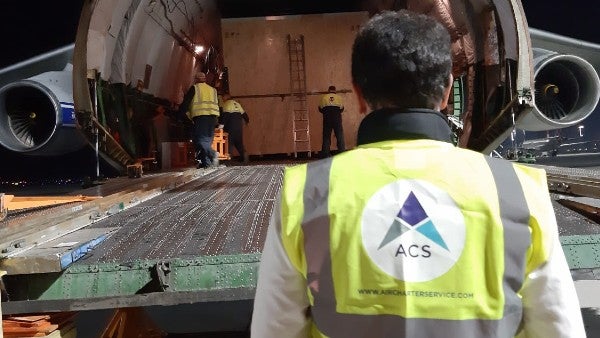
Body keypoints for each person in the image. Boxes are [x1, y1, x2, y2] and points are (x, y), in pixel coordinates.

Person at [251, 10, 585, 338]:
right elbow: (558, 326)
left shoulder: (305, 191)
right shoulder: (518, 191)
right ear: (446, 92)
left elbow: (275, 327)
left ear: (358, 94)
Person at [178, 71, 220, 168]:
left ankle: (213, 154)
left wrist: (180, 116)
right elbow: (218, 105)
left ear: (196, 80)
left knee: (200, 140)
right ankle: (206, 163)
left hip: (201, 117)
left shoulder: (195, 88)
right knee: (207, 141)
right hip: (213, 118)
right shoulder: (213, 90)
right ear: (204, 79)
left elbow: (186, 103)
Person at [220, 93, 250, 163]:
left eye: (222, 97)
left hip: (230, 127)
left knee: (228, 143)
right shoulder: (237, 104)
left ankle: (228, 159)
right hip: (238, 127)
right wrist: (247, 121)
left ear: (225, 97)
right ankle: (244, 155)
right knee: (239, 143)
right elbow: (245, 115)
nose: (222, 99)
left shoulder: (226, 104)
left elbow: (225, 116)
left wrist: (220, 126)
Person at [318, 85, 345, 157]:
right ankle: (342, 153)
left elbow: (320, 109)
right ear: (335, 91)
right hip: (337, 119)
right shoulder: (339, 97)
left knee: (326, 136)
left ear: (328, 90)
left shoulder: (324, 97)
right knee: (339, 136)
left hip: (327, 119)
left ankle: (326, 154)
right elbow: (342, 109)